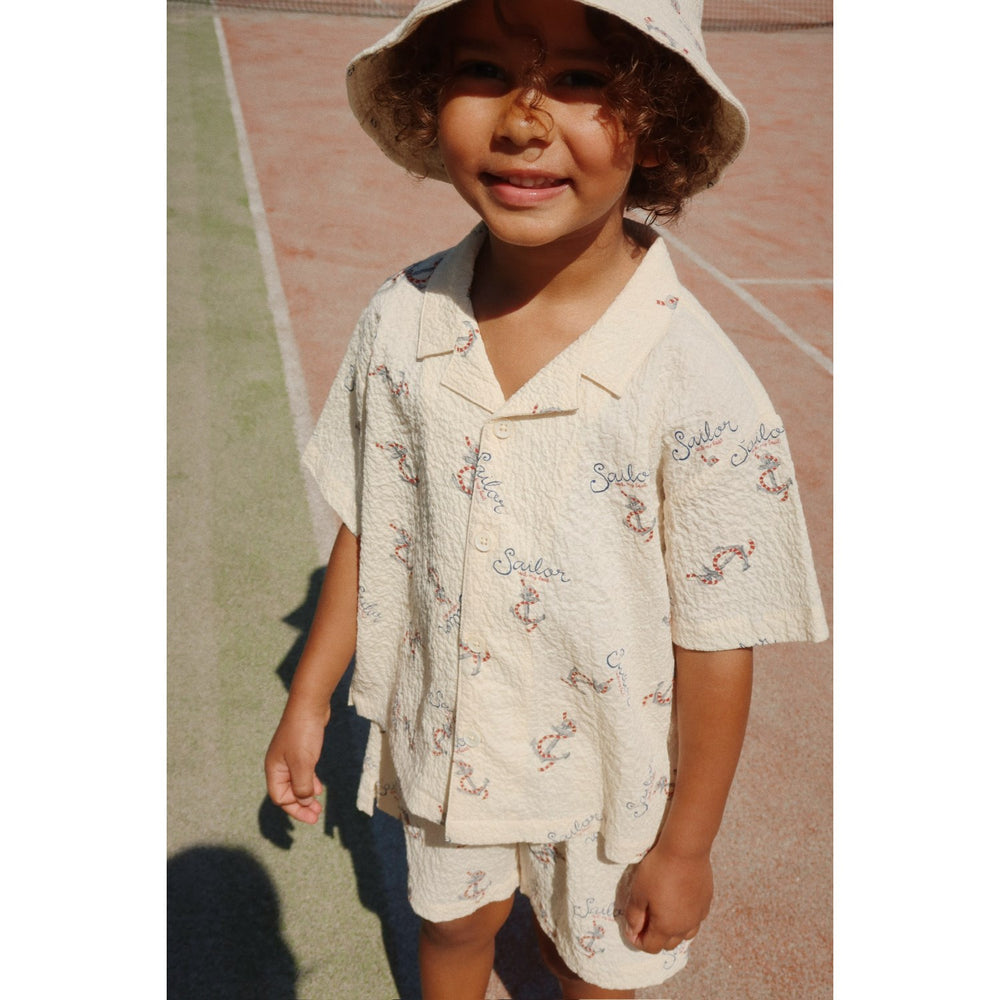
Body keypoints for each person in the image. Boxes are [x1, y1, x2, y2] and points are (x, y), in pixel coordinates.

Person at [265, 1, 828, 997]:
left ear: (660, 122)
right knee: (453, 929)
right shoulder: (402, 320)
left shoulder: (700, 384)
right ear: (432, 94)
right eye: (485, 69)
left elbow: (718, 636)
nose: (524, 121)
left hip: (612, 783)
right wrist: (309, 699)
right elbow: (375, 519)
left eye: (580, 80)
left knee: (591, 968)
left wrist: (686, 845)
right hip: (450, 738)